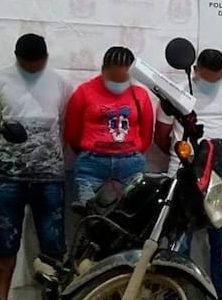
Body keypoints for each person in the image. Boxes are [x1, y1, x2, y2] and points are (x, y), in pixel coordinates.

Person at [0, 34, 73, 300]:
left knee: (53, 244)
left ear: (46, 58)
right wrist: (3, 163)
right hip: (8, 177)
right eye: (26, 63)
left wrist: (50, 159)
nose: (32, 68)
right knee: (5, 242)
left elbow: (65, 127)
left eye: (38, 63)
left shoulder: (60, 83)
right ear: (16, 57)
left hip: (50, 178)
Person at [154, 48, 222, 300]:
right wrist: (185, 158)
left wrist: (214, 160)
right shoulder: (176, 94)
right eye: (206, 78)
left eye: (216, 78)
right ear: (195, 70)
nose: (211, 83)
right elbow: (161, 136)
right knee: (177, 241)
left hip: (217, 179)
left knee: (221, 240)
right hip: (182, 174)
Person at [64, 46, 156, 205]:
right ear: (103, 70)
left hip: (130, 164)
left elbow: (147, 133)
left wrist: (129, 151)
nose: (118, 83)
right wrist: (91, 150)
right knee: (88, 212)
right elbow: (72, 131)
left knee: (131, 212)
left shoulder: (140, 95)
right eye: (113, 78)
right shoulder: (84, 92)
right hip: (92, 165)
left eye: (123, 79)